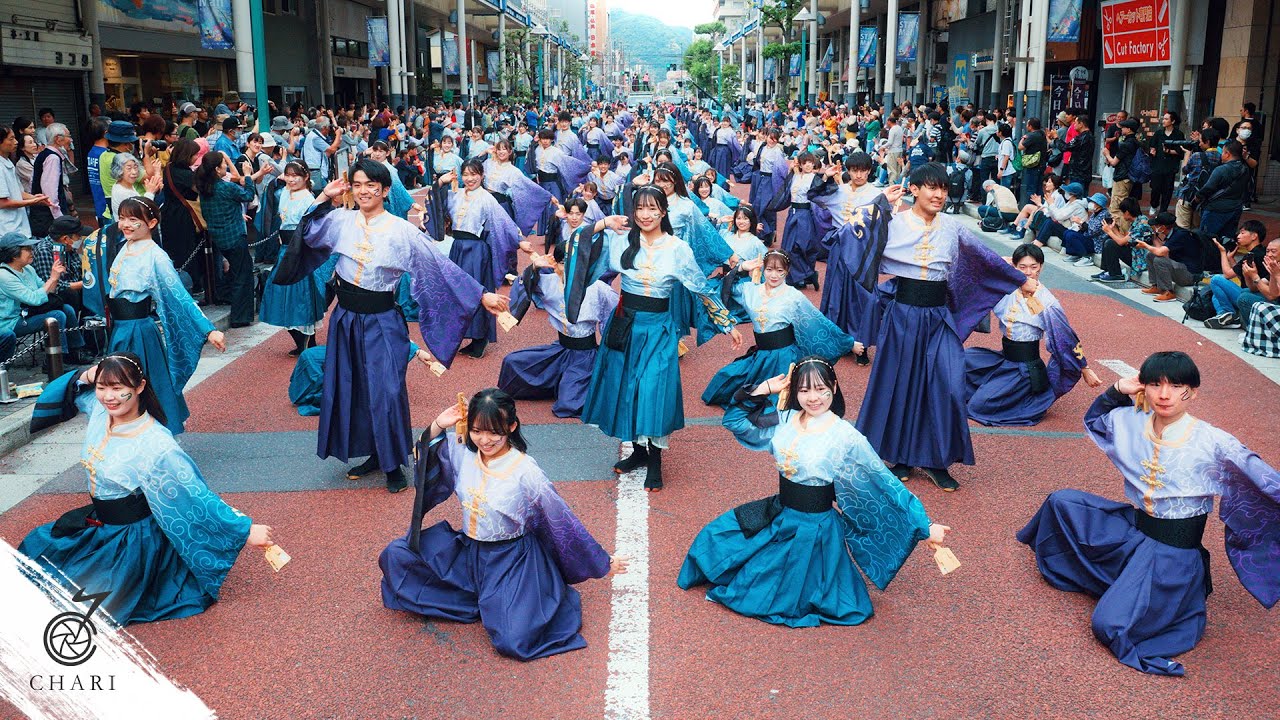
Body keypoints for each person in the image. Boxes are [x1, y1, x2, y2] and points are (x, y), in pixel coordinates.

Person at [1017, 351, 1280, 676]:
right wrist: (1117, 390)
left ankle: (1163, 596)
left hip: (1173, 555)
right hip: (1136, 531)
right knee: (1062, 503)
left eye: (1176, 386)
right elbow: (1096, 420)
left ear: (1192, 392)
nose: (1164, 394)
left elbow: (1266, 480)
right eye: (1156, 384)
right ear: (1144, 387)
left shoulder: (1214, 442)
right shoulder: (1132, 420)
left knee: (1109, 625)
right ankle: (1123, 582)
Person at [271, 159, 509, 493]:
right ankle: (374, 453)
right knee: (353, 386)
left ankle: (394, 462)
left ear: (384, 190)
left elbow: (439, 265)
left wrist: (482, 295)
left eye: (371, 185)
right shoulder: (340, 220)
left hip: (382, 319)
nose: (364, 191)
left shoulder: (401, 229)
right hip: (345, 318)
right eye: (357, 184)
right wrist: (324, 197)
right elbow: (306, 232)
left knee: (387, 390)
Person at [678, 357, 948, 626]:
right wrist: (763, 389)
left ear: (834, 387)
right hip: (778, 512)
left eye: (820, 389)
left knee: (778, 589)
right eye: (804, 390)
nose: (813, 398)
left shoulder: (845, 436)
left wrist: (924, 525)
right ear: (794, 391)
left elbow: (883, 482)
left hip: (816, 528)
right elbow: (735, 421)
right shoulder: (784, 418)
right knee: (715, 539)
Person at [18, 353, 275, 625]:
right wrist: (90, 375)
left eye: (118, 388)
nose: (108, 397)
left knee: (77, 604)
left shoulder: (156, 444)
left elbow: (193, 494)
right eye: (102, 387)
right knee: (36, 550)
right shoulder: (100, 410)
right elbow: (73, 390)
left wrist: (243, 530)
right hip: (99, 523)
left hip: (130, 540)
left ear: (140, 386)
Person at [379, 389, 624, 660]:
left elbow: (560, 519)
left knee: (513, 640)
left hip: (511, 559)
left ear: (511, 427)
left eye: (494, 432)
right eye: (476, 431)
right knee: (396, 555)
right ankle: (488, 601)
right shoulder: (462, 451)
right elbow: (425, 454)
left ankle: (500, 600)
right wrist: (439, 423)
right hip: (468, 551)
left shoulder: (526, 471)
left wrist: (600, 560)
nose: (484, 440)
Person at [828, 163, 1028, 490]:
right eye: (932, 187)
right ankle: (901, 458)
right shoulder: (893, 222)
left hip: (938, 316)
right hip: (902, 314)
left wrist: (1019, 279)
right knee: (900, 382)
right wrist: (879, 203)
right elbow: (846, 236)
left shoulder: (953, 227)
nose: (939, 195)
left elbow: (984, 258)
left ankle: (937, 460)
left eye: (944, 189)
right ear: (914, 189)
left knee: (948, 383)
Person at [577, 187, 743, 491]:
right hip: (625, 324)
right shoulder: (620, 240)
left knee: (653, 389)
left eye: (652, 208)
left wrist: (726, 322)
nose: (645, 215)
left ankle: (655, 460)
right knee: (627, 387)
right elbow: (576, 247)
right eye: (640, 208)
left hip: (659, 329)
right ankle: (638, 452)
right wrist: (602, 224)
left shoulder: (677, 248)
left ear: (663, 212)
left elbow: (700, 286)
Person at [105, 197, 226, 435]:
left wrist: (208, 329)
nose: (125, 224)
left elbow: (180, 295)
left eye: (133, 219)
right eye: (122, 218)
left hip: (139, 330)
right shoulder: (125, 246)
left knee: (141, 384)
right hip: (121, 327)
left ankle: (151, 433)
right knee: (123, 384)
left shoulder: (156, 256)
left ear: (151, 223)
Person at [964, 244, 1101, 426]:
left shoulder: (1047, 302)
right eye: (1022, 267)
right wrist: (999, 264)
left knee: (979, 406)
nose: (1028, 272)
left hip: (1024, 370)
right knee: (959, 360)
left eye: (1033, 267)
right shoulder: (1006, 289)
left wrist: (1084, 368)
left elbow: (1065, 337)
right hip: (1004, 359)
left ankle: (1022, 396)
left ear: (1041, 267)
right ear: (1014, 267)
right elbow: (977, 282)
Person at [702, 249, 855, 407]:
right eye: (769, 270)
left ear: (787, 271)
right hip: (760, 354)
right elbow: (722, 288)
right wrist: (741, 268)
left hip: (785, 356)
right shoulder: (750, 290)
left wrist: (849, 343)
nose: (774, 275)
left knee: (775, 403)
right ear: (763, 269)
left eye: (780, 271)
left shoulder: (793, 295)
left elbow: (816, 321)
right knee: (723, 381)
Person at [499, 241, 617, 418]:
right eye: (563, 262)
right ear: (555, 263)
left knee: (569, 404)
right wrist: (534, 267)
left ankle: (574, 385)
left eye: (576, 263)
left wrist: (610, 355)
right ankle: (563, 383)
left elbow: (613, 319)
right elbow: (523, 286)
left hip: (585, 356)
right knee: (511, 363)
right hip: (561, 350)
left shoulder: (598, 288)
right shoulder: (547, 282)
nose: (569, 268)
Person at [438, 159, 527, 359]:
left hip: (476, 250)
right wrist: (441, 182)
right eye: (466, 174)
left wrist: (520, 241)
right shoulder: (456, 194)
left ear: (482, 175)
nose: (470, 179)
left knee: (476, 292)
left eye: (474, 174)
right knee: (457, 292)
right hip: (457, 247)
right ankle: (463, 333)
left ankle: (480, 338)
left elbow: (504, 222)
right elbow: (437, 205)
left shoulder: (487, 198)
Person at [259, 163, 326, 356]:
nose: (291, 179)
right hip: (284, 250)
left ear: (306, 177)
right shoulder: (284, 193)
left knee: (301, 296)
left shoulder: (308, 199)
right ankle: (301, 340)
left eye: (296, 175)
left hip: (300, 251)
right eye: (288, 175)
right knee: (281, 294)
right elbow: (271, 194)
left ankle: (308, 342)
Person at [195, 152, 257, 328]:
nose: (226, 166)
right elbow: (248, 195)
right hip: (234, 235)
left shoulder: (205, 188)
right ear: (217, 168)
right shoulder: (226, 187)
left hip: (219, 236)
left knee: (237, 273)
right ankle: (240, 316)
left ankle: (233, 305)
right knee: (243, 276)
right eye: (224, 163)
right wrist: (247, 175)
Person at [0, 232, 86, 361]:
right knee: (57, 316)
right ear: (14, 254)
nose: (32, 251)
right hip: (11, 321)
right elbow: (33, 299)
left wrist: (55, 276)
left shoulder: (28, 269)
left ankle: (76, 351)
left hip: (28, 312)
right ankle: (56, 360)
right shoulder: (4, 276)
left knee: (67, 309)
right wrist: (52, 278)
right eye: (27, 249)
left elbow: (47, 290)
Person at [766, 153, 829, 290]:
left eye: (810, 162)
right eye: (805, 162)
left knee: (803, 246)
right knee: (789, 246)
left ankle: (805, 275)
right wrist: (790, 171)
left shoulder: (814, 178)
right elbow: (785, 191)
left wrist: (825, 177)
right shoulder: (794, 176)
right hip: (792, 213)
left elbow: (820, 191)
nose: (808, 165)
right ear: (800, 164)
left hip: (805, 214)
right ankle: (802, 276)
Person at [158, 139, 206, 295]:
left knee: (174, 252)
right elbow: (200, 190)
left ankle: (177, 282)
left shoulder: (168, 168)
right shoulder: (186, 174)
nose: (196, 158)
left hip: (169, 214)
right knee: (188, 251)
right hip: (184, 216)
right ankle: (193, 284)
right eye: (194, 155)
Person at [1205, 220, 1269, 329]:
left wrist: (1222, 252)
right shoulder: (1257, 252)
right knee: (1217, 294)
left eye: (1242, 233)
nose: (1238, 236)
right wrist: (1231, 259)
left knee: (1216, 279)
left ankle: (1228, 314)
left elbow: (1227, 274)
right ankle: (1226, 315)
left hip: (1253, 296)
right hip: (1250, 292)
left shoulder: (1254, 254)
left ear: (1254, 236)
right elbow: (1243, 277)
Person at [1139, 212, 1203, 302]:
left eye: (1157, 225)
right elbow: (1160, 250)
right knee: (1151, 255)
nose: (1155, 227)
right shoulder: (1172, 233)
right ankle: (1156, 286)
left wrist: (1145, 245)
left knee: (1159, 260)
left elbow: (1160, 252)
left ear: (1163, 227)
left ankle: (1168, 292)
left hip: (1190, 275)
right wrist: (1154, 237)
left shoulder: (1179, 235)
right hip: (1181, 268)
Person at [1195, 140, 1251, 240]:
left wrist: (1198, 197)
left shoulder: (1221, 169)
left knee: (1206, 239)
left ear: (1227, 154)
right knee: (1226, 240)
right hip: (1235, 208)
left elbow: (1208, 188)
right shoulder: (1245, 169)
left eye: (1223, 152)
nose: (1221, 155)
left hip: (1215, 209)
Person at [0, 128, 48, 239]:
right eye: (11, 139)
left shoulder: (7, 162)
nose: (16, 142)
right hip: (7, 229)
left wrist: (35, 198)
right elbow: (2, 203)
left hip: (19, 226)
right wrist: (32, 202)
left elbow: (18, 192)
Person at [27, 122, 73, 238]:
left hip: (41, 215)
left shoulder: (43, 154)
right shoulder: (53, 158)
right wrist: (59, 218)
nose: (71, 140)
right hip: (48, 218)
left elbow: (32, 182)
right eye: (68, 136)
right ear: (58, 139)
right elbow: (50, 193)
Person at [1093, 197, 1150, 283]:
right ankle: (1108, 270)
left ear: (1127, 212)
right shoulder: (1137, 220)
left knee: (1110, 243)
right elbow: (1125, 240)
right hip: (1133, 252)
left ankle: (1116, 274)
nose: (1122, 215)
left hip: (1139, 259)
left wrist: (1109, 231)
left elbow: (1121, 242)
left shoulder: (1142, 224)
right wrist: (1114, 229)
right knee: (1108, 238)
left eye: (1122, 213)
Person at [1061, 193, 1112, 266]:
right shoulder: (1094, 213)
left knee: (1071, 235)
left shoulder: (1104, 214)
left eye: (1093, 202)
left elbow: (1093, 230)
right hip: (1089, 238)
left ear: (1099, 204)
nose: (1091, 203)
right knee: (1067, 232)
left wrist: (1081, 222)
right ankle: (1075, 254)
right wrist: (1081, 226)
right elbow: (1088, 227)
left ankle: (1086, 258)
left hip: (1096, 243)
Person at [1148, 111, 1184, 215]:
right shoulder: (1158, 133)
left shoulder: (1178, 134)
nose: (1163, 121)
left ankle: (1163, 210)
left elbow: (1180, 151)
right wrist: (1152, 151)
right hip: (1157, 165)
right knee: (1155, 188)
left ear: (1172, 121)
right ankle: (1154, 205)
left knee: (1167, 190)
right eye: (1163, 118)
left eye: (1166, 119)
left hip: (1170, 166)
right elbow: (1152, 146)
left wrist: (1168, 151)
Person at [109, 153, 162, 220]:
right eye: (129, 168)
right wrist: (150, 192)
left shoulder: (122, 185)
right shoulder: (123, 192)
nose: (134, 172)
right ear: (118, 171)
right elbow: (142, 210)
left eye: (135, 167)